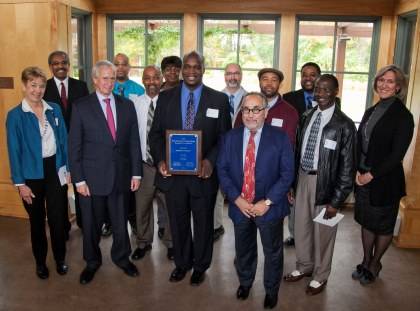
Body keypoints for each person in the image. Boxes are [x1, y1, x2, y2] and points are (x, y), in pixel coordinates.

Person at [149, 51, 231, 286]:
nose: (192, 71)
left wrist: (210, 161)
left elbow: (225, 138)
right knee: (178, 221)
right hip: (173, 175)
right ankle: (182, 264)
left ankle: (200, 266)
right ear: (182, 69)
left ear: (203, 69)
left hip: (203, 176)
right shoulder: (165, 98)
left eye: (197, 67)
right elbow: (155, 135)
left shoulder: (218, 100)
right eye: (188, 67)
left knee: (204, 223)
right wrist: (161, 160)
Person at [218, 92, 294, 309]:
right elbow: (222, 170)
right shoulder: (230, 137)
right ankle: (245, 282)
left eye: (256, 109)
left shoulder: (279, 138)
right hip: (240, 206)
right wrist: (236, 199)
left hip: (268, 208)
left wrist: (267, 202)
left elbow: (287, 174)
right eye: (246, 109)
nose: (251, 114)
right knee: (243, 249)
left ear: (266, 112)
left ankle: (271, 290)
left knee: (272, 252)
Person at [68, 60, 142, 285]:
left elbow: (133, 142)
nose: (109, 82)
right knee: (91, 224)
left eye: (112, 77)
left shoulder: (126, 105)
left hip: (121, 177)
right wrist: (78, 179)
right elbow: (75, 146)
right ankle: (92, 262)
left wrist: (136, 173)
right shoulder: (81, 106)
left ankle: (122, 258)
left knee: (121, 222)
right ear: (95, 79)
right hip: (90, 180)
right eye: (104, 78)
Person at [284, 74, 356, 296]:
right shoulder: (307, 116)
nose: (320, 94)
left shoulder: (344, 124)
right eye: (317, 89)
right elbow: (297, 152)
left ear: (335, 92)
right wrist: (292, 183)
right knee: (301, 227)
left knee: (323, 232)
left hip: (326, 184)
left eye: (326, 90)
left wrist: (336, 201)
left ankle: (320, 275)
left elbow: (348, 167)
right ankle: (304, 265)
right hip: (303, 177)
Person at [352, 65, 414, 285]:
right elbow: (362, 142)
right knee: (366, 222)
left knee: (384, 226)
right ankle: (365, 259)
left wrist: (372, 174)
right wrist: (358, 171)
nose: (384, 85)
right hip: (363, 177)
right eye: (381, 80)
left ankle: (375, 263)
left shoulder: (403, 116)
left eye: (390, 82)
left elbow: (397, 154)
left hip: (385, 181)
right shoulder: (372, 110)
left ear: (398, 87)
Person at [6, 66, 70, 279]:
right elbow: (14, 151)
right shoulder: (15, 116)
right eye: (33, 85)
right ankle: (41, 262)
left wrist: (67, 168)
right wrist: (20, 183)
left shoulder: (54, 108)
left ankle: (60, 258)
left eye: (41, 86)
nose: (37, 90)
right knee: (37, 221)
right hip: (30, 175)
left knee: (58, 219)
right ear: (24, 86)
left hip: (55, 170)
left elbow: (64, 141)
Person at [131, 65, 174, 261]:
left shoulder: (170, 103)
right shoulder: (134, 104)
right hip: (143, 165)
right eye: (147, 78)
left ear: (161, 79)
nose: (151, 82)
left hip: (166, 166)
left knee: (170, 206)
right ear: (142, 80)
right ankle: (143, 243)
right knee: (142, 207)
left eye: (155, 78)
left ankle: (172, 243)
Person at [44, 50, 89, 231]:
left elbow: (87, 115)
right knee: (58, 189)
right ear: (50, 67)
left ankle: (84, 223)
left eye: (64, 62)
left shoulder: (81, 86)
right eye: (56, 63)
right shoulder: (44, 88)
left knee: (81, 184)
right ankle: (62, 227)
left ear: (69, 65)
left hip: (80, 145)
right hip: (56, 148)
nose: (60, 66)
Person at [104, 52, 143, 237]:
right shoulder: (105, 89)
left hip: (129, 148)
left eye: (124, 64)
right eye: (116, 64)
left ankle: (133, 222)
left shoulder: (138, 89)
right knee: (110, 187)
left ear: (129, 67)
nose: (120, 67)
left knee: (130, 192)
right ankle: (110, 222)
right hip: (109, 150)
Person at [282, 62, 321, 247]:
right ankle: (294, 234)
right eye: (305, 74)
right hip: (293, 152)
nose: (308, 78)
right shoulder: (289, 98)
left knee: (312, 198)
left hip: (315, 156)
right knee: (292, 195)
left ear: (318, 77)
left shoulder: (329, 99)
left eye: (313, 75)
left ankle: (310, 234)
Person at [213, 63, 248, 242]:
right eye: (229, 74)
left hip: (242, 155)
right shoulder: (214, 98)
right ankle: (216, 226)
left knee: (241, 192)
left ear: (241, 75)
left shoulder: (250, 98)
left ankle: (243, 231)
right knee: (217, 191)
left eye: (236, 73)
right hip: (218, 153)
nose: (232, 77)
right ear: (224, 76)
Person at [234, 68, 299, 147]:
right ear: (259, 82)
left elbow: (289, 145)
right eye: (265, 79)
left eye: (274, 80)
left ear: (280, 84)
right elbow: (236, 134)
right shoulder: (246, 105)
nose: (269, 83)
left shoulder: (290, 112)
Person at [156, 55, 183, 239]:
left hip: (181, 153)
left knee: (174, 200)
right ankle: (162, 225)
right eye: (168, 69)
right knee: (161, 194)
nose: (172, 72)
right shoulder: (156, 92)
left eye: (175, 68)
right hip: (160, 152)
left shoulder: (186, 90)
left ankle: (172, 234)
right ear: (163, 72)